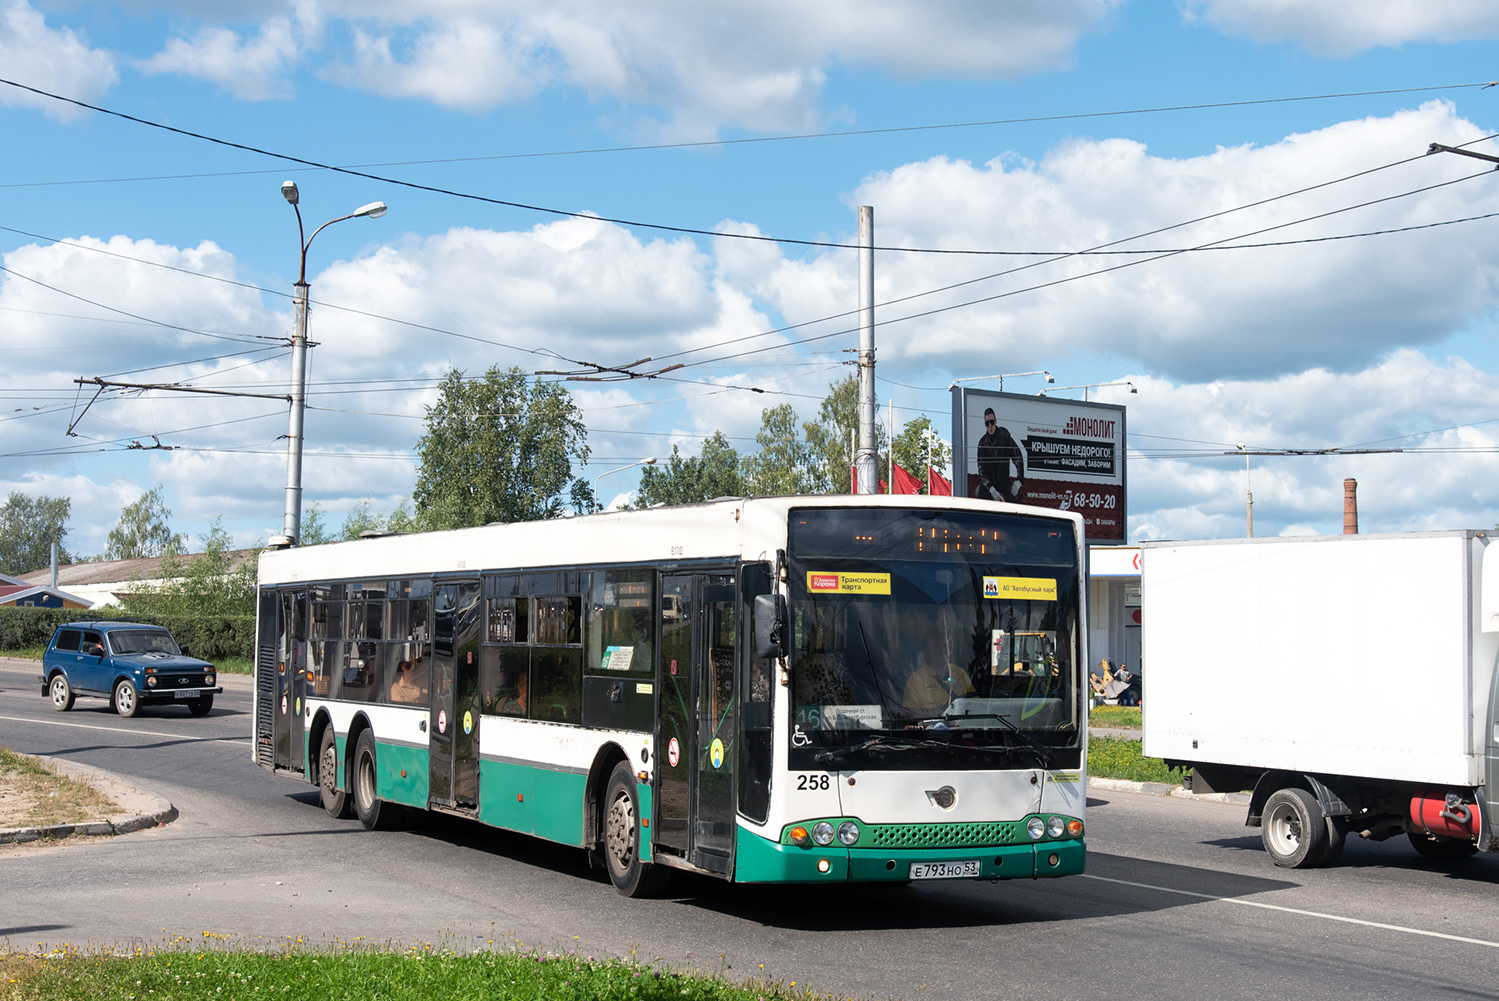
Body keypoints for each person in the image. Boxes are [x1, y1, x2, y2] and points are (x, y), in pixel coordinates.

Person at [903, 623, 975, 718]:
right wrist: (929, 713)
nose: (943, 649)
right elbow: (908, 713)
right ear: (926, 652)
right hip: (930, 730)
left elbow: (975, 704)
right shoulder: (916, 679)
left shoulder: (960, 673)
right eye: (936, 646)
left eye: (945, 645)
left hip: (960, 728)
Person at [975, 407, 1026, 502]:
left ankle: (1015, 514)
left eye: (992, 422)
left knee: (1018, 490)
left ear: (996, 421)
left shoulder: (1004, 435)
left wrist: (1019, 480)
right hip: (991, 487)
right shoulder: (982, 444)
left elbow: (1017, 456)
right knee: (979, 491)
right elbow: (981, 471)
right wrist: (991, 489)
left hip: (1005, 484)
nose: (990, 426)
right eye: (987, 423)